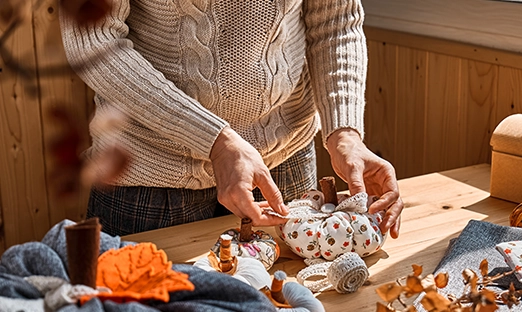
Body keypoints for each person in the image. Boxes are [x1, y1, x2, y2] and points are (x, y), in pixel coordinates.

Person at [58, 0, 404, 238]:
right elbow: (94, 41)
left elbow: (334, 22)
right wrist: (213, 138)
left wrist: (344, 132)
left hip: (285, 166)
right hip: (149, 178)